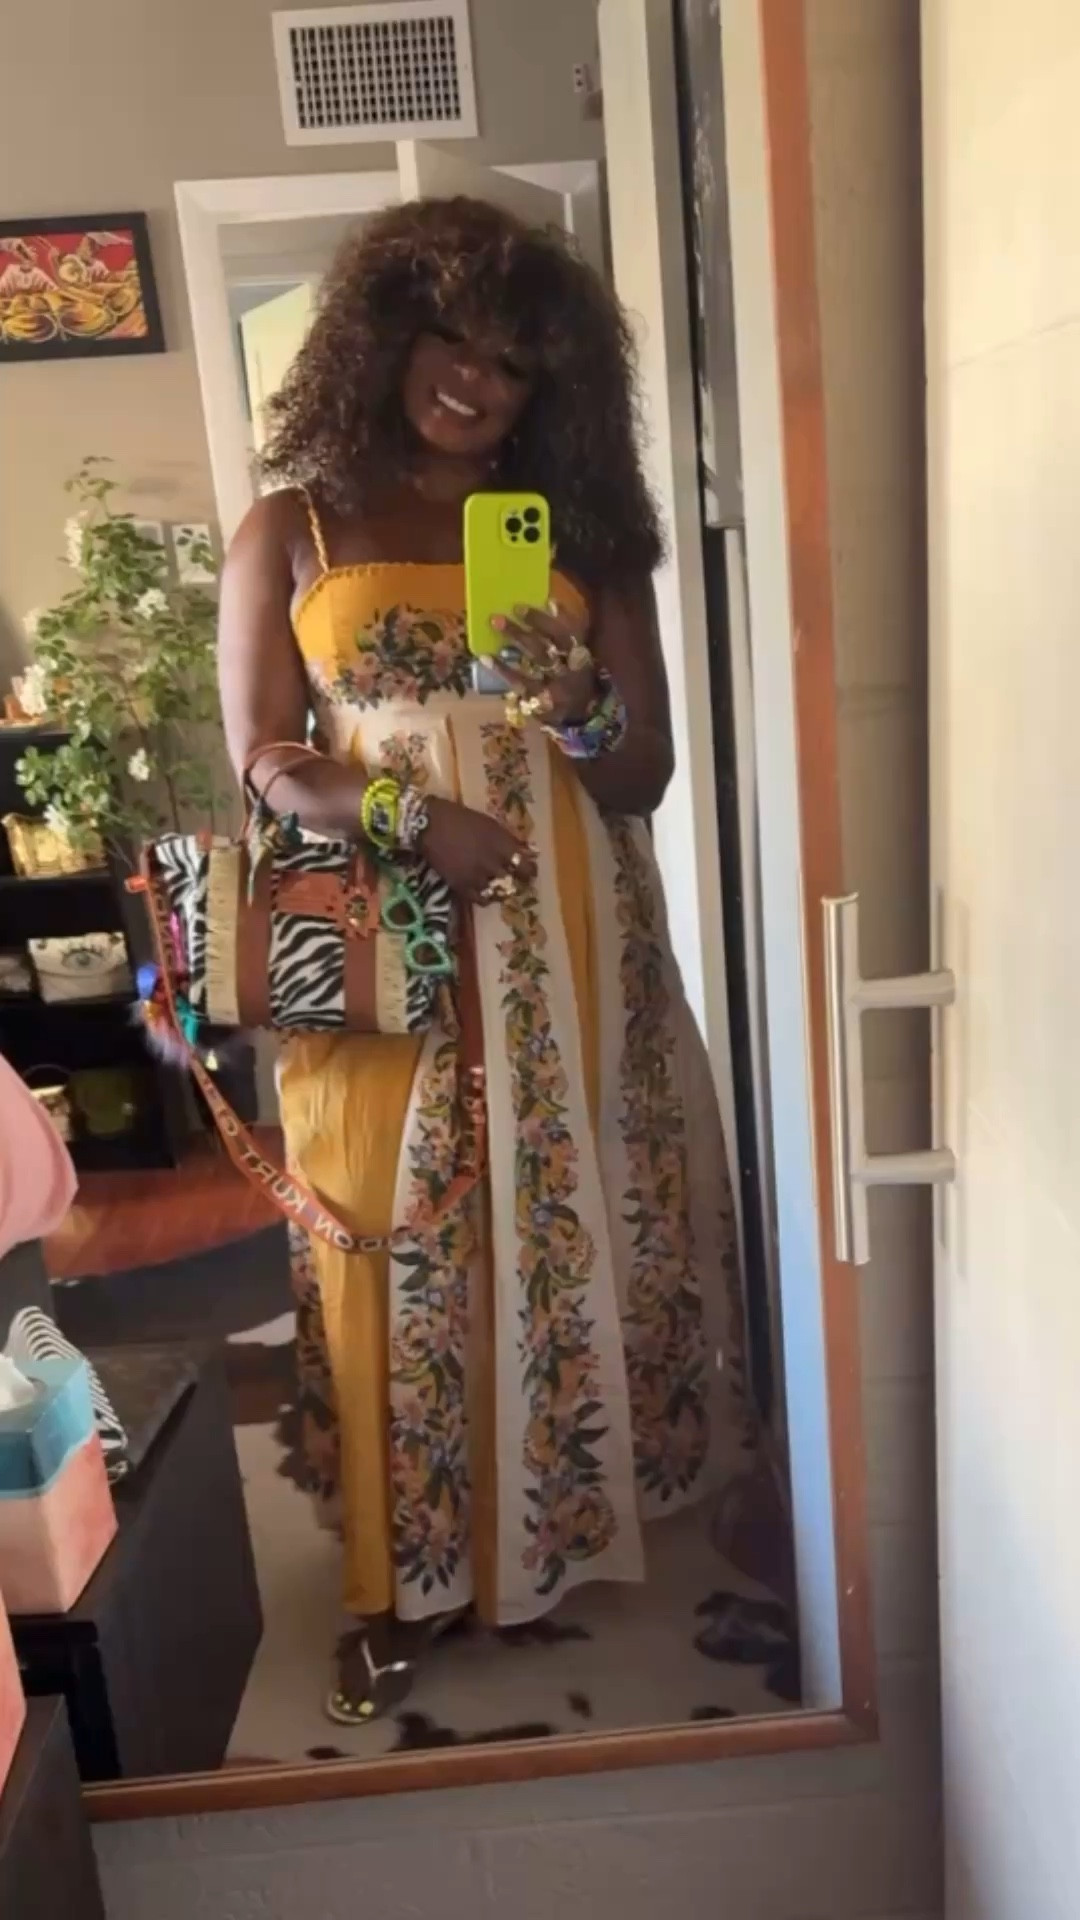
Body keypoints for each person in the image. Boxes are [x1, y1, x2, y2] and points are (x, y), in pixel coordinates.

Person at [217, 196, 756, 1725]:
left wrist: (576, 700)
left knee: (563, 1218)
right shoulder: (297, 525)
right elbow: (264, 755)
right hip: (384, 934)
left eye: (515, 361)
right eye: (450, 338)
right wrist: (412, 817)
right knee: (391, 1243)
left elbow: (640, 775)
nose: (476, 382)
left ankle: (547, 1536)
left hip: (575, 944)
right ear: (384, 336)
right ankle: (396, 1582)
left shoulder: (582, 535)